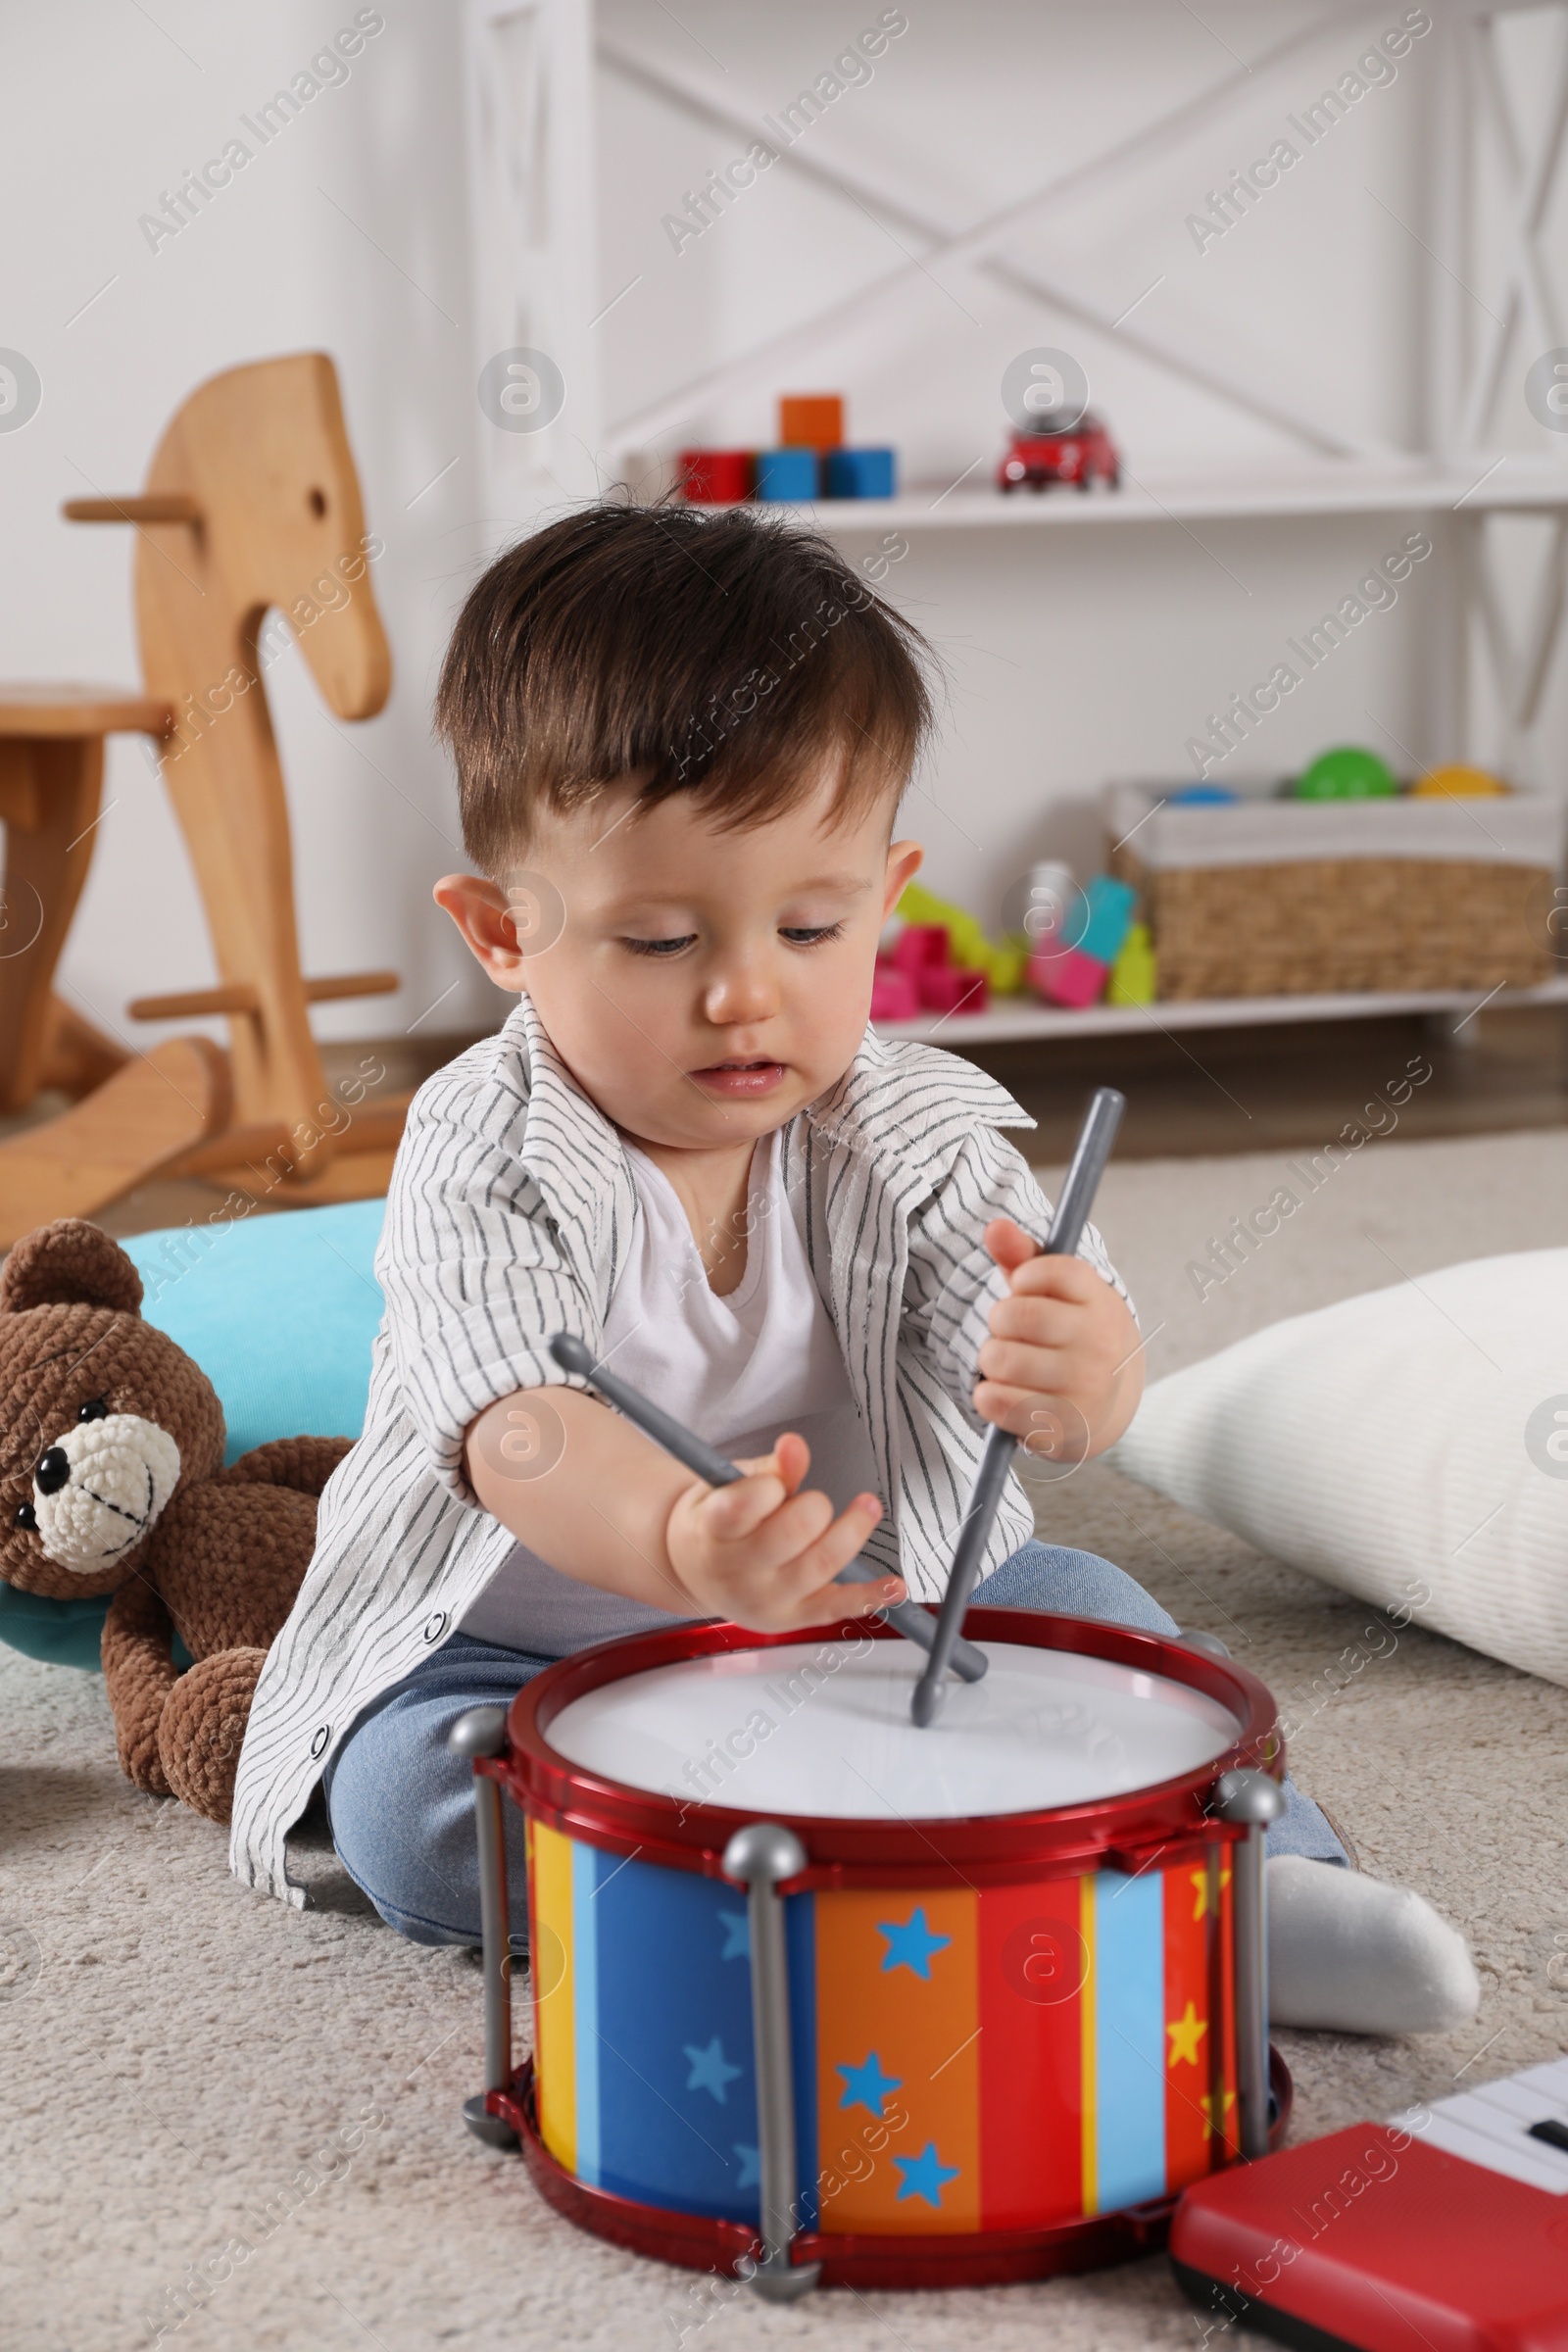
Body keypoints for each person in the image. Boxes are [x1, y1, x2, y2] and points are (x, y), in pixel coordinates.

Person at [230, 503, 1476, 2036]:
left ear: (886, 898)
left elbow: (1011, 1334)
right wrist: (682, 1541)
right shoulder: (480, 1140)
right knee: (409, 1800)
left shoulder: (919, 1127)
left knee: (1116, 1625)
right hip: (529, 1652)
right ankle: (793, 1898)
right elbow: (513, 1425)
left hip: (884, 1616)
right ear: (503, 929)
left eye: (810, 926)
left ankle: (1255, 1897)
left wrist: (1083, 1373)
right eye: (663, 940)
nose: (748, 992)